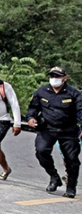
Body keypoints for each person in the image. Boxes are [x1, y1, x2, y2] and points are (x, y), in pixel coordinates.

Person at [25, 66, 82, 198]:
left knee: (72, 159)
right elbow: (33, 107)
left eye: (57, 76)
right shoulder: (42, 91)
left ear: (64, 78)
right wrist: (31, 118)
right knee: (41, 151)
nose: (54, 79)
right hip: (48, 128)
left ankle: (71, 186)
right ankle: (54, 177)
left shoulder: (73, 94)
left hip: (68, 130)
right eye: (52, 76)